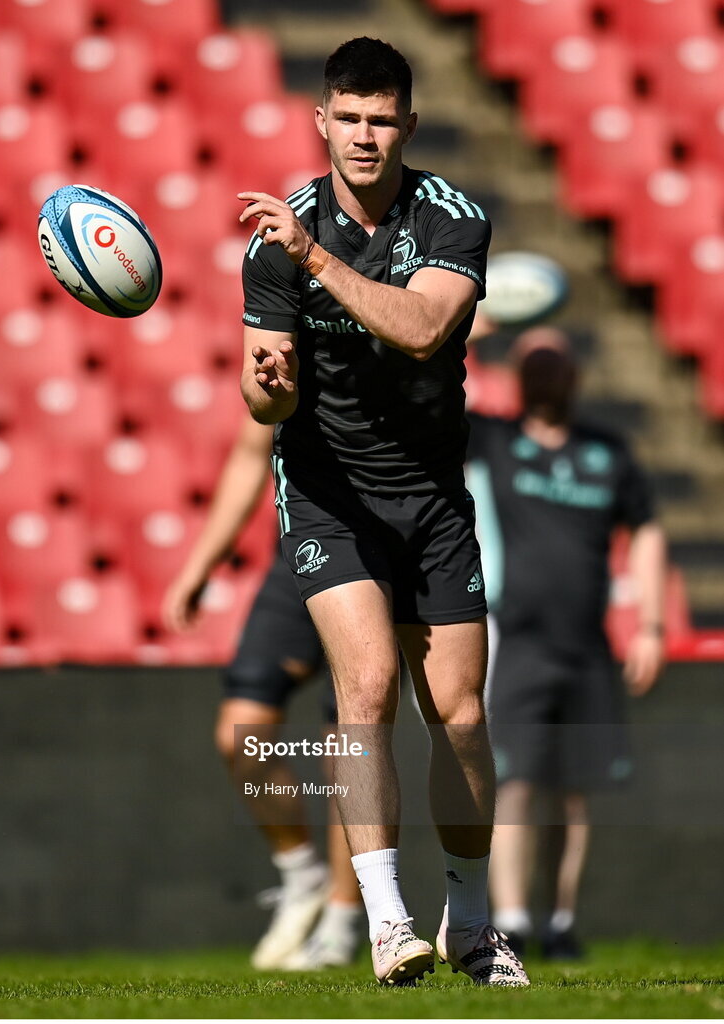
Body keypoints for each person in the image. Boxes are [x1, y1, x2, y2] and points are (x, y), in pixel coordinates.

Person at [237, 36, 529, 986]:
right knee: (361, 691)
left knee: (458, 713)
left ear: (407, 123)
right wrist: (273, 386)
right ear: (320, 120)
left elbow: (422, 330)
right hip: (329, 494)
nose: (363, 136)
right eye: (346, 118)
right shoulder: (272, 243)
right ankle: (387, 920)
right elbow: (262, 398)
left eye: (380, 119)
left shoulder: (450, 220)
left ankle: (472, 921)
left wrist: (314, 257)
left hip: (433, 497)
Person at [466, 327, 667, 959]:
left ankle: (558, 920)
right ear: (518, 377)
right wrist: (465, 335)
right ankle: (514, 919)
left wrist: (654, 626)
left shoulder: (607, 451)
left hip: (588, 646)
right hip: (521, 642)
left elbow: (648, 533)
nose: (546, 375)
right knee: (517, 780)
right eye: (534, 363)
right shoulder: (495, 439)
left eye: (556, 363)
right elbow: (424, 391)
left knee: (573, 790)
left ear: (575, 375)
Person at [162, 413, 364, 971]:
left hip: (380, 560)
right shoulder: (285, 331)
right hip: (301, 555)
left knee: (349, 751)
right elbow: (253, 453)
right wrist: (201, 565)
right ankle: (302, 878)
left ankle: (343, 924)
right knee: (239, 734)